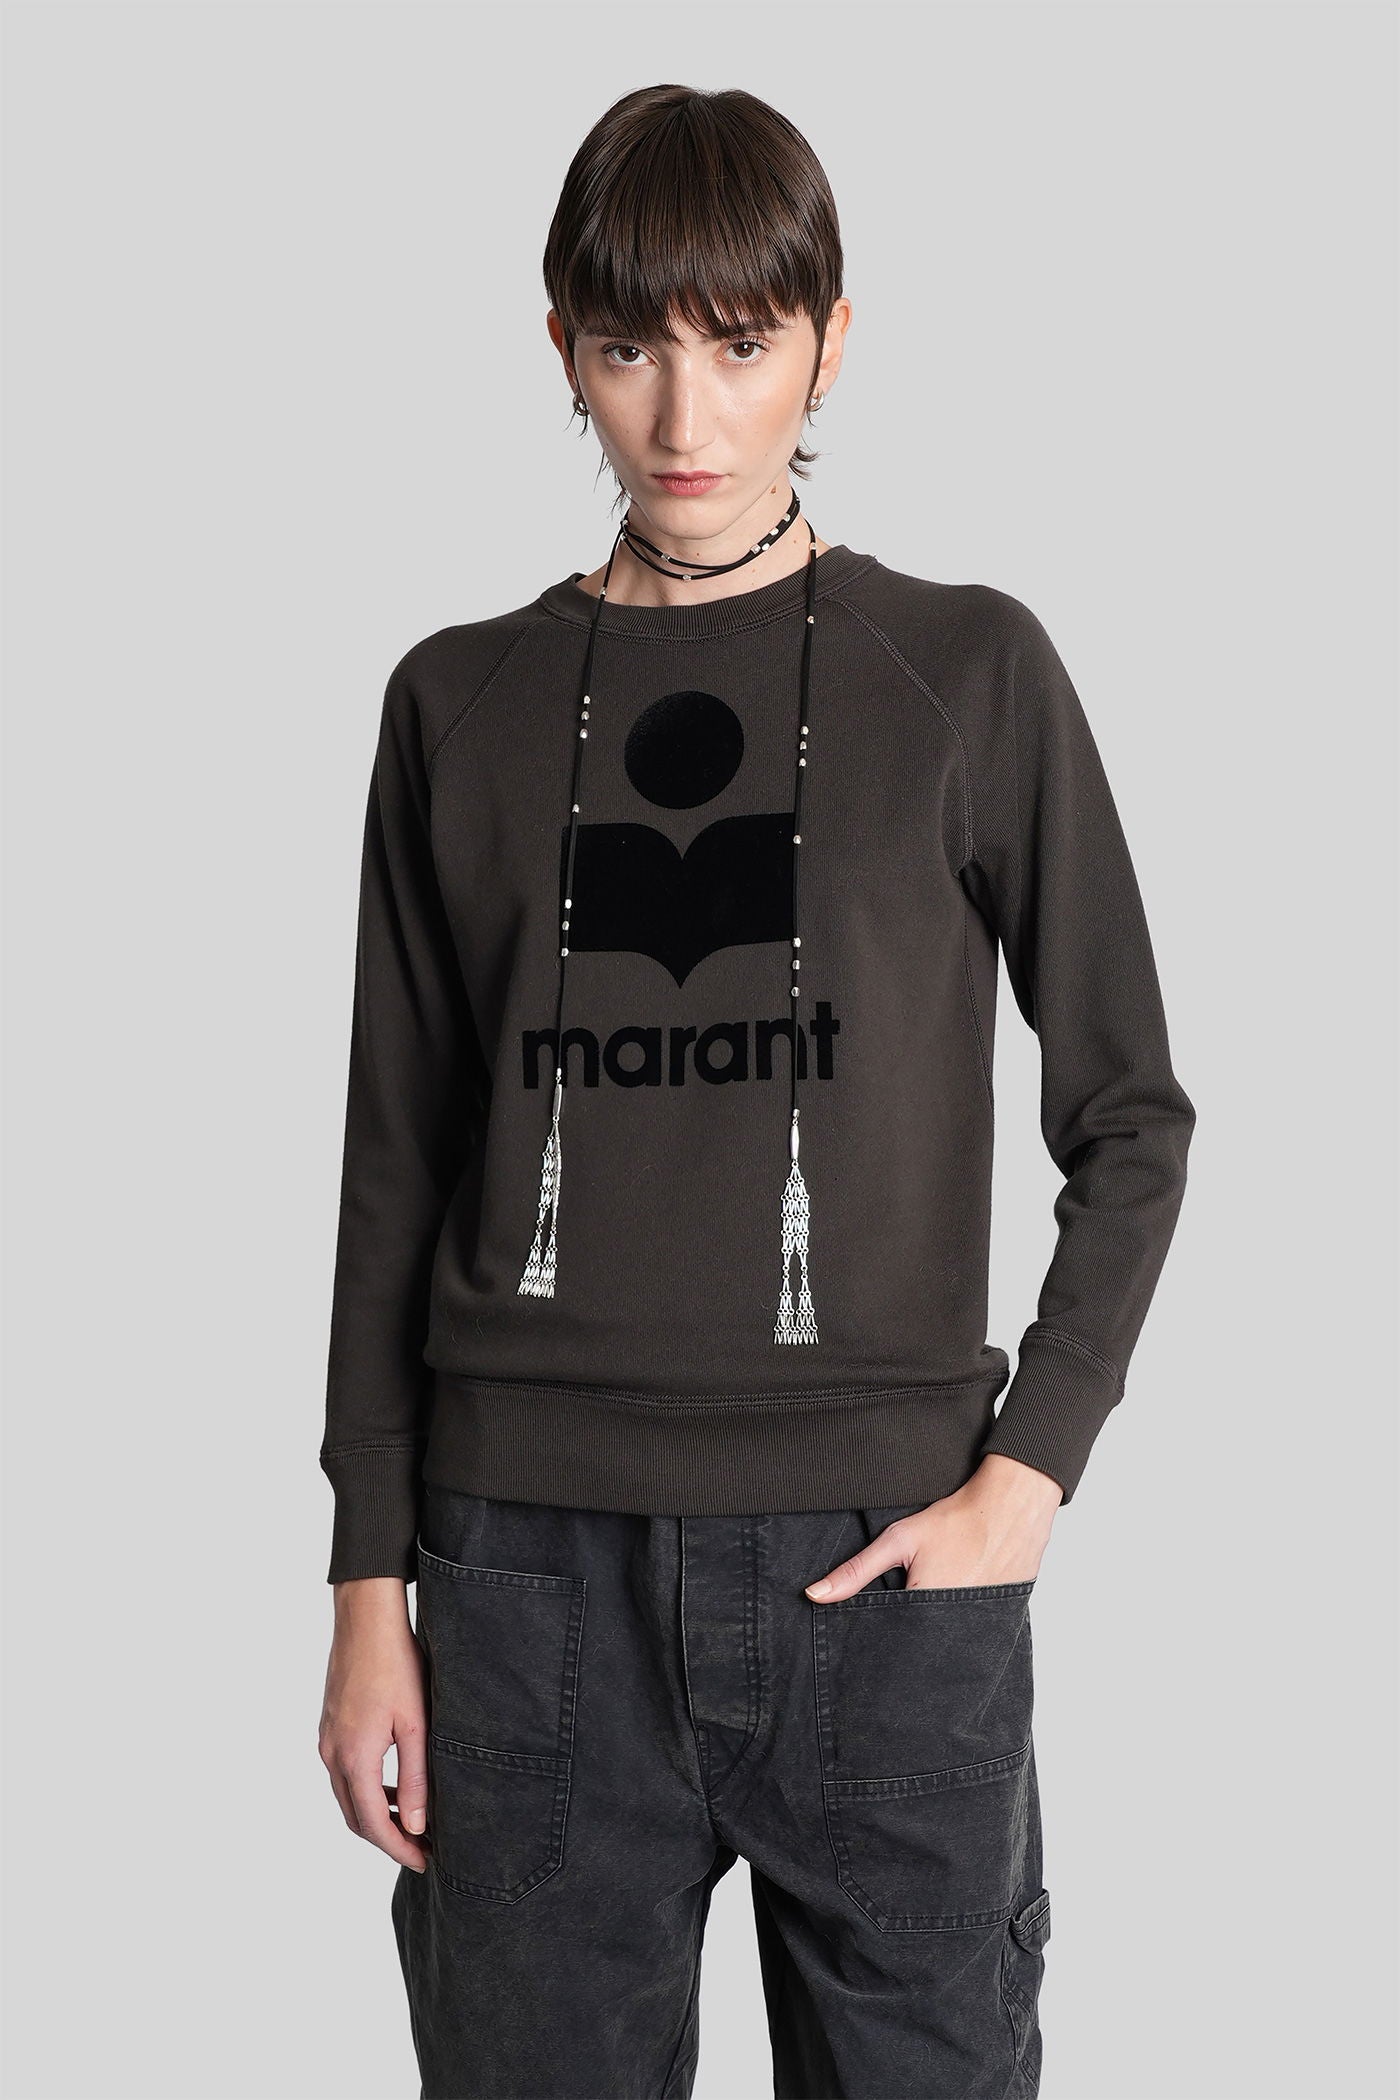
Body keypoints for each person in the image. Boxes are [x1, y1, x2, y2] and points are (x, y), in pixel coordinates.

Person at [316, 82, 1196, 2100]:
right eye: (631, 349)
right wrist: (369, 1583)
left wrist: (1030, 1471)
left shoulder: (964, 672)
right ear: (563, 348)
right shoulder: (455, 701)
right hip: (522, 1574)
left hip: (884, 1569)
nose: (686, 418)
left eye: (740, 344)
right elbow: (393, 1169)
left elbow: (1131, 1110)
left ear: (830, 341)